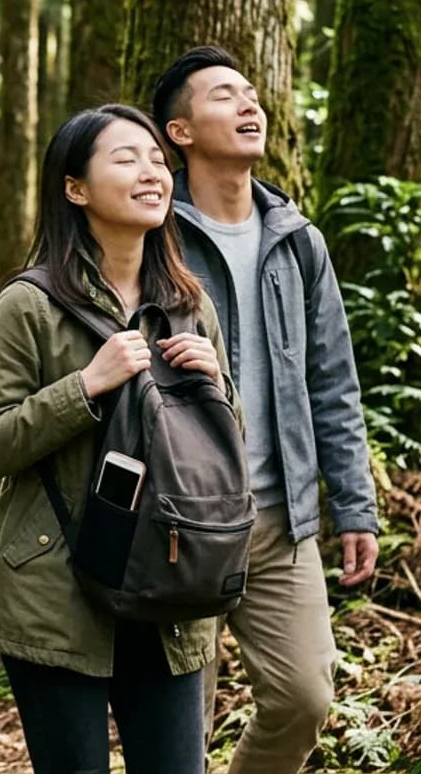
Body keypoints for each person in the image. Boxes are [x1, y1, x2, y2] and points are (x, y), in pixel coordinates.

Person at [0, 104, 235, 774]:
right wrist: (84, 388)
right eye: (125, 158)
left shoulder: (189, 306)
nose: (151, 172)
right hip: (56, 590)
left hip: (169, 584)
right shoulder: (29, 305)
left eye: (154, 158)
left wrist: (217, 392)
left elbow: (224, 455)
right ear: (75, 188)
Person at [150, 46, 381, 774]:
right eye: (224, 96)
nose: (250, 105)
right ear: (179, 132)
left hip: (281, 520)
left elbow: (332, 382)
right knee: (183, 722)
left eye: (252, 94)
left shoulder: (297, 240)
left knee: (304, 698)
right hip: (181, 519)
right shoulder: (156, 237)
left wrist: (355, 507)